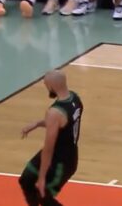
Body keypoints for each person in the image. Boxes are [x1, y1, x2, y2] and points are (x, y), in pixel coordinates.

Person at [18, 70, 84, 206]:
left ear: (51, 86)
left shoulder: (54, 112)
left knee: (42, 194)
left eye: (46, 85)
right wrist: (37, 123)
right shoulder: (74, 98)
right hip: (65, 153)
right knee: (26, 180)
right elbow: (62, 123)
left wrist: (41, 178)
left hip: (61, 161)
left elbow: (48, 148)